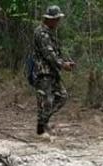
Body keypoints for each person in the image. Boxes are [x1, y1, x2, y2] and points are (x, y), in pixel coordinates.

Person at [32, 5, 74, 139]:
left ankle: (44, 123)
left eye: (58, 19)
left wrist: (65, 61)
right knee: (46, 101)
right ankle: (41, 128)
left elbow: (56, 53)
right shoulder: (41, 33)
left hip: (52, 72)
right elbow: (49, 55)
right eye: (56, 19)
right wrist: (63, 65)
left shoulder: (50, 32)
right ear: (49, 19)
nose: (58, 22)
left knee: (62, 97)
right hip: (43, 73)